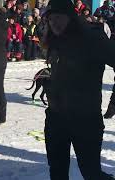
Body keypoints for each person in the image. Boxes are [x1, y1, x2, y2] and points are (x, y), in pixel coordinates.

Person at [41, 0, 115, 179]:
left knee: (91, 173)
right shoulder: (55, 39)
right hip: (56, 117)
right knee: (57, 172)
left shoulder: (92, 37)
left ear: (71, 17)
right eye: (51, 20)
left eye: (58, 18)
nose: (54, 23)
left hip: (85, 119)